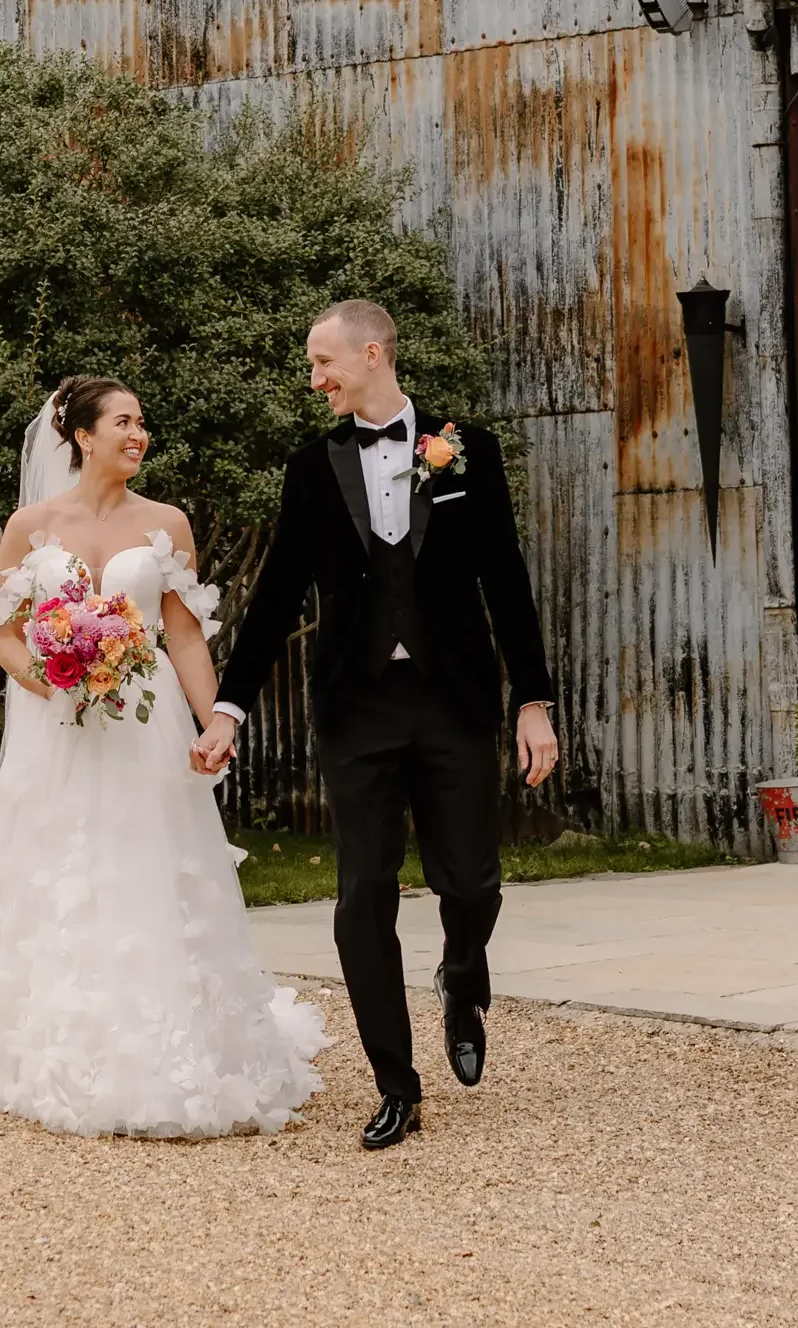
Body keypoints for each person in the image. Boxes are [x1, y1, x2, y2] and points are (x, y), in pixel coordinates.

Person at [0, 375, 326, 1138]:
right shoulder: (29, 525)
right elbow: (4, 635)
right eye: (125, 422)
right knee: (60, 871)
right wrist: (51, 678)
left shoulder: (166, 522)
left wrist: (216, 724)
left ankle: (168, 1045)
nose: (139, 435)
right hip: (58, 725)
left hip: (146, 723)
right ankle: (50, 1044)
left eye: (143, 424)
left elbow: (182, 635)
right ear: (81, 435)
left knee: (149, 868)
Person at [192, 300, 558, 1151]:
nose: (313, 379)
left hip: (454, 701)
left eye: (322, 362)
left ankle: (462, 979)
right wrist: (229, 704)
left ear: (370, 352)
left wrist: (530, 702)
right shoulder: (310, 467)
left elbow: (505, 579)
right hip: (356, 709)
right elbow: (279, 590)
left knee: (471, 884)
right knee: (362, 894)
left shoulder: (468, 449)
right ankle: (397, 1083)